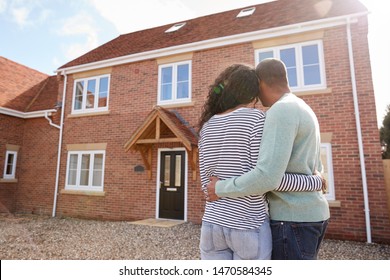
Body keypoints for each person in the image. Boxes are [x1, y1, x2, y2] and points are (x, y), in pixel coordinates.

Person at [206, 58, 330, 260]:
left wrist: (219, 188)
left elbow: (266, 177)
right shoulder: (302, 107)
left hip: (292, 219)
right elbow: (315, 169)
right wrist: (315, 181)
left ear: (261, 82)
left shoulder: (280, 110)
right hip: (312, 215)